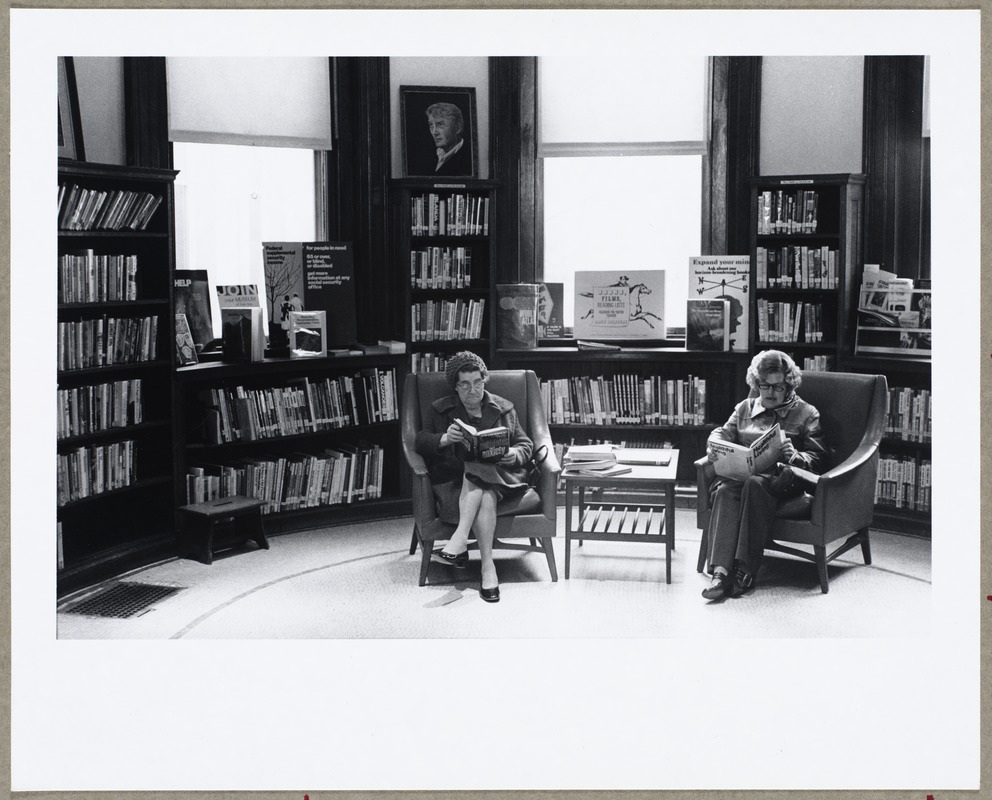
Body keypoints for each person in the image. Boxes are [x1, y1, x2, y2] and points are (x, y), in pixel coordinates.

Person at [701, 349, 829, 600]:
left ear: (789, 384)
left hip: (783, 483)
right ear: (756, 383)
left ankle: (744, 571)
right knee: (726, 489)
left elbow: (820, 461)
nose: (769, 393)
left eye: (778, 387)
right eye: (764, 386)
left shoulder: (807, 413)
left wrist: (794, 455)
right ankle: (721, 573)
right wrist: (714, 446)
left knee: (755, 484)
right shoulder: (744, 408)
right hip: (743, 480)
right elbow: (720, 434)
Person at [414, 351, 533, 602]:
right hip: (456, 484)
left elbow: (526, 444)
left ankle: (459, 541)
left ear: (484, 380)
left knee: (479, 473)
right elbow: (421, 441)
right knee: (483, 488)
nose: (473, 389)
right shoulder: (440, 410)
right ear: (455, 387)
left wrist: (514, 453)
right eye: (465, 384)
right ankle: (488, 570)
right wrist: (445, 438)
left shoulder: (504, 408)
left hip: (501, 476)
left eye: (478, 382)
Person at [425, 102, 472, 176]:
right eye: (431, 125)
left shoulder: (469, 159)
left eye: (440, 124)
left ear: (458, 128)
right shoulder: (429, 156)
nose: (434, 132)